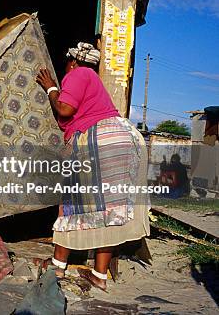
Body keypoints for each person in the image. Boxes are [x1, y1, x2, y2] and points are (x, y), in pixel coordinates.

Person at [35, 42, 150, 291]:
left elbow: (65, 108)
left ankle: (58, 265)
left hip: (103, 140)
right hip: (122, 140)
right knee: (108, 207)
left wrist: (50, 88)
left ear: (73, 61)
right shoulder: (92, 83)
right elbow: (67, 118)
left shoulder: (80, 73)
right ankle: (99, 275)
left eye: (65, 64)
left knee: (74, 202)